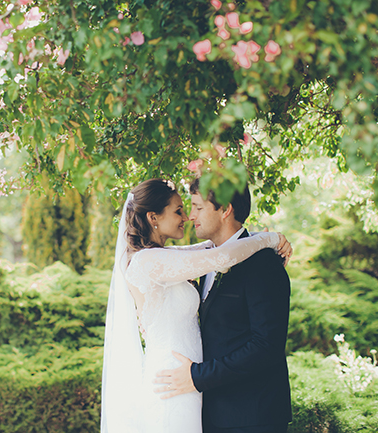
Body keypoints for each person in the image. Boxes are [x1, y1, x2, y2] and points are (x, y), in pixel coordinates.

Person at [101, 178, 292, 433]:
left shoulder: (262, 264)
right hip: (175, 384)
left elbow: (266, 344)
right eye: (181, 209)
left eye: (196, 208)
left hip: (249, 413)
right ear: (153, 218)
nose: (189, 216)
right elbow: (218, 256)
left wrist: (263, 241)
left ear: (225, 209)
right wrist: (269, 237)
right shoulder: (154, 261)